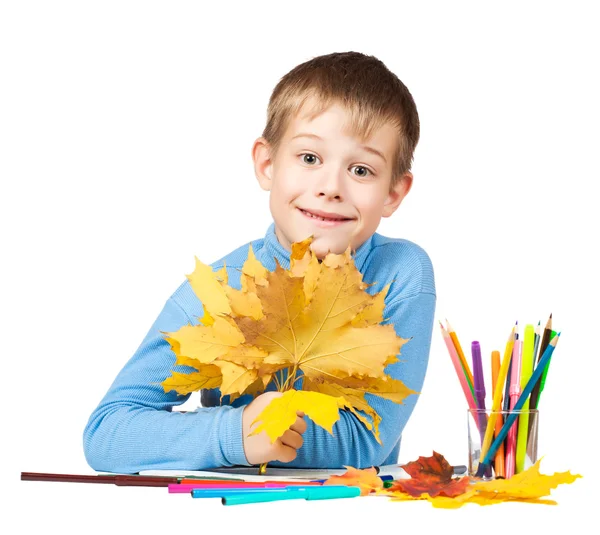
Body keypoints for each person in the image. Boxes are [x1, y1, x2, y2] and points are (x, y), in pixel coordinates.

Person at [83, 51, 436, 474]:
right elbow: (106, 434)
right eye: (309, 159)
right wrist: (234, 436)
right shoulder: (219, 289)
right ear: (267, 164)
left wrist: (275, 428)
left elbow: (364, 441)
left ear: (393, 193)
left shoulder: (400, 273)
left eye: (361, 170)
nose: (330, 187)